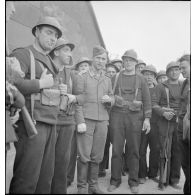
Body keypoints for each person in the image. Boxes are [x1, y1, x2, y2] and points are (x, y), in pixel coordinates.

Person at [9, 16, 63, 194]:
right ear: (37, 32)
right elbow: (12, 85)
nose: (53, 38)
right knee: (27, 179)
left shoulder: (49, 61)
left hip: (50, 123)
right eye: (48, 32)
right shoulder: (23, 53)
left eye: (55, 35)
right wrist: (40, 84)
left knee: (44, 180)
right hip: (32, 123)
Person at [107, 49, 151, 194]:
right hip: (117, 116)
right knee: (117, 150)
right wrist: (111, 100)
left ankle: (133, 181)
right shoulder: (116, 77)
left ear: (135, 63)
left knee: (134, 150)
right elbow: (109, 95)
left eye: (131, 60)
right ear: (123, 61)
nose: (128, 63)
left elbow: (147, 100)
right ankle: (115, 180)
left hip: (135, 118)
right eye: (125, 60)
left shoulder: (141, 79)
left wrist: (147, 119)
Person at [76, 45, 114, 194]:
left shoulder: (107, 79)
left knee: (97, 155)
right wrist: (80, 121)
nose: (100, 61)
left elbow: (112, 96)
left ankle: (93, 186)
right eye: (98, 58)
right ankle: (81, 187)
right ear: (92, 58)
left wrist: (110, 100)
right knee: (84, 155)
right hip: (86, 120)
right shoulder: (82, 77)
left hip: (103, 120)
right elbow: (77, 101)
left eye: (103, 59)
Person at [49, 38, 85, 194]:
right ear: (56, 52)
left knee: (63, 161)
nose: (69, 54)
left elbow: (84, 96)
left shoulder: (73, 74)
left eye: (70, 51)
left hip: (67, 122)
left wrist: (73, 97)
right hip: (49, 121)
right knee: (46, 162)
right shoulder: (47, 67)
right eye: (66, 50)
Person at [152, 61, 182, 190]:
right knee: (164, 151)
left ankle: (174, 180)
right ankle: (162, 181)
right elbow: (154, 104)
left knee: (178, 151)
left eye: (177, 69)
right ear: (168, 72)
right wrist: (163, 112)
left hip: (180, 122)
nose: (174, 72)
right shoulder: (160, 86)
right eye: (172, 70)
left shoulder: (185, 85)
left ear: (180, 71)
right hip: (165, 122)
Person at [67, 56, 92, 187]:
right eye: (81, 66)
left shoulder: (93, 79)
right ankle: (68, 178)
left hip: (90, 119)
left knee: (86, 152)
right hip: (76, 117)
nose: (84, 68)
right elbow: (76, 100)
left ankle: (86, 180)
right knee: (71, 150)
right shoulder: (75, 78)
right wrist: (79, 120)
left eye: (86, 66)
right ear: (77, 69)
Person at [138, 65, 160, 184]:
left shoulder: (159, 89)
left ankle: (152, 173)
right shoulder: (139, 89)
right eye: (146, 74)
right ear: (143, 76)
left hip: (155, 125)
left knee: (155, 149)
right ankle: (142, 174)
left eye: (151, 75)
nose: (149, 77)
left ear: (154, 77)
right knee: (141, 150)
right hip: (142, 124)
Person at [98, 60, 120, 178]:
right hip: (104, 116)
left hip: (116, 118)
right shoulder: (103, 83)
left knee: (118, 145)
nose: (110, 73)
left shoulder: (118, 84)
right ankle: (101, 168)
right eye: (108, 71)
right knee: (104, 144)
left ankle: (120, 169)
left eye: (113, 72)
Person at [177, 54, 191, 194]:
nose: (181, 71)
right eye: (180, 68)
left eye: (184, 67)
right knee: (186, 164)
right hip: (182, 129)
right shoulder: (185, 83)